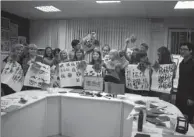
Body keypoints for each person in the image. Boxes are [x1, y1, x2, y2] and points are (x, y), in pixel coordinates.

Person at [176, 42, 194, 124]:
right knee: (178, 116)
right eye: (181, 49)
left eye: (185, 49)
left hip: (189, 96)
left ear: (191, 51)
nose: (182, 51)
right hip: (180, 94)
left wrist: (192, 98)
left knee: (187, 120)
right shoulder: (181, 64)